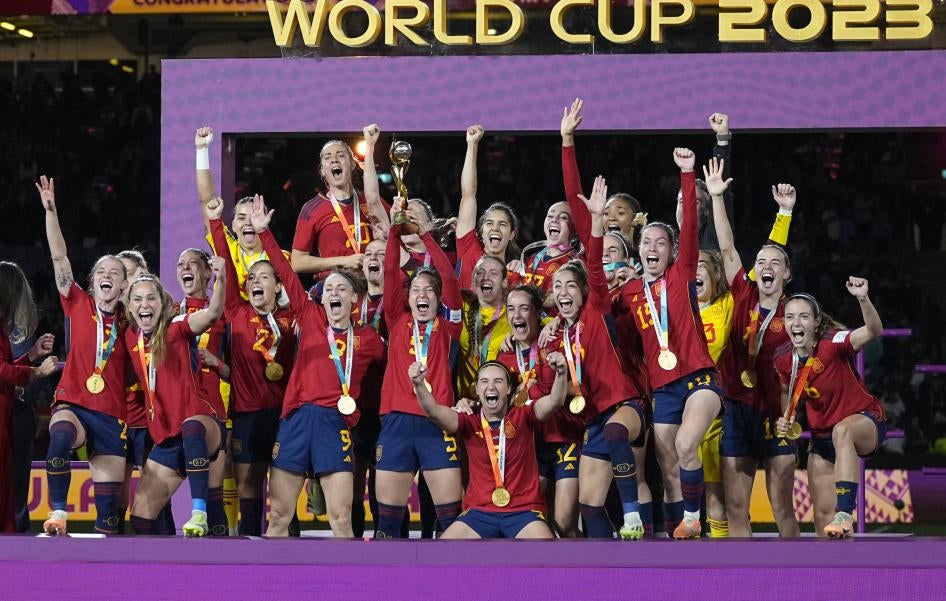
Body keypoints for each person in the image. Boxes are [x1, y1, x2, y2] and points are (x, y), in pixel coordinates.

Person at [253, 197, 386, 538]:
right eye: (329, 289)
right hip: (297, 418)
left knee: (341, 519)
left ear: (354, 299)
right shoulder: (310, 318)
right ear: (322, 298)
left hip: (335, 424)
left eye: (342, 289)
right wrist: (265, 234)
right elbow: (285, 272)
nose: (335, 293)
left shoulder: (370, 340)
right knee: (279, 518)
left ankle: (348, 589)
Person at [611, 150, 722, 539]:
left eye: (661, 242)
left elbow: (689, 226)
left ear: (672, 251)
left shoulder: (682, 273)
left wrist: (688, 175)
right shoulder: (628, 293)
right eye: (647, 242)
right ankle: (684, 536)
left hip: (699, 380)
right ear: (638, 249)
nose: (653, 247)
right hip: (662, 389)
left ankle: (695, 519)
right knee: (670, 469)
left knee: (688, 444)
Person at [542, 178, 651, 540]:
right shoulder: (556, 335)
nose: (562, 292)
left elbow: (591, 261)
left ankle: (633, 517)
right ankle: (606, 564)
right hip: (592, 420)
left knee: (616, 431)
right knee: (589, 506)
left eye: (570, 285)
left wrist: (593, 221)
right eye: (557, 288)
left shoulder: (596, 309)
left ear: (585, 291)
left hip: (625, 406)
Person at [707, 158, 800, 538]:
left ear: (786, 274)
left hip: (776, 413)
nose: (765, 265)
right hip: (737, 410)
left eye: (774, 262)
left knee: (782, 507)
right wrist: (716, 197)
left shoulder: (796, 314)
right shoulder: (742, 293)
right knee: (735, 508)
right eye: (760, 261)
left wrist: (785, 214)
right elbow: (727, 247)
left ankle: (797, 585)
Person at [36, 175, 130, 536]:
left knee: (109, 522)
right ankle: (58, 513)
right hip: (73, 404)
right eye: (101, 272)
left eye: (115, 273)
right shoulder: (77, 303)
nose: (107, 276)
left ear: (123, 285)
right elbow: (59, 256)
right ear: (93, 282)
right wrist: (51, 212)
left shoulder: (133, 320)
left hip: (110, 416)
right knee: (58, 441)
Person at [207, 197, 298, 536]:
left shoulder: (293, 317)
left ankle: (294, 549)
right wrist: (216, 223)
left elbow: (285, 267)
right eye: (253, 278)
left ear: (278, 285)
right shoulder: (237, 311)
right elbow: (228, 269)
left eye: (266, 276)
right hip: (246, 414)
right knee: (248, 488)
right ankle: (248, 552)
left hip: (286, 415)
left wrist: (265, 234)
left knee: (286, 489)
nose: (257, 281)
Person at [374, 198, 464, 538]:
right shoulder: (397, 319)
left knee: (450, 524)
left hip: (437, 422)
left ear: (438, 299)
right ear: (407, 297)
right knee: (388, 526)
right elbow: (389, 272)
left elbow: (450, 281)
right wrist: (396, 228)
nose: (422, 295)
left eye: (430, 291)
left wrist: (425, 235)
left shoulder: (449, 326)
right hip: (396, 420)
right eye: (416, 290)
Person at [776, 281, 886, 538]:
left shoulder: (833, 343)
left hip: (865, 422)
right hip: (822, 438)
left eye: (804, 316)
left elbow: (873, 330)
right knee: (824, 519)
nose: (796, 323)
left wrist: (863, 298)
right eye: (790, 317)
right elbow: (787, 392)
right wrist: (786, 417)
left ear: (815, 323)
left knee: (842, 431)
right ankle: (834, 574)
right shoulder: (783, 358)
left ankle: (846, 512)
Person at [413, 359, 569, 539]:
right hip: (479, 513)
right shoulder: (468, 420)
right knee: (444, 554)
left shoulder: (523, 414)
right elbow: (433, 411)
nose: (491, 387)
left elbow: (554, 401)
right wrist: (419, 384)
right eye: (485, 382)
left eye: (498, 381)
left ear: (509, 389)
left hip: (524, 512)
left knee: (546, 553)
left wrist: (561, 373)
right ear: (477, 389)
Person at [125, 265, 228, 537]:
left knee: (192, 428)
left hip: (202, 424)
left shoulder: (177, 327)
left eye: (151, 298)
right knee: (141, 519)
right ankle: (163, 572)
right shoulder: (129, 338)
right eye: (137, 299)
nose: (144, 304)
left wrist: (221, 279)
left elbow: (212, 313)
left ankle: (198, 514)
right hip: (167, 438)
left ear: (163, 303)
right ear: (130, 306)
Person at [497, 285, 583, 537]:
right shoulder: (504, 356)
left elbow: (577, 382)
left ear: (537, 313)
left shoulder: (556, 341)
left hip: (564, 437)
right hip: (531, 446)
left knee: (564, 522)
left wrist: (554, 320)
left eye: (524, 308)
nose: (517, 315)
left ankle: (585, 569)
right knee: (536, 521)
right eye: (511, 309)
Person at [195, 127, 291, 308]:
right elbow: (206, 201)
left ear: (265, 223)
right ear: (233, 225)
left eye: (254, 216)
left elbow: (288, 302)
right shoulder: (228, 247)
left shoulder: (281, 257)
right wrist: (202, 151)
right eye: (241, 217)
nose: (248, 222)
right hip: (232, 326)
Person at [175, 246, 231, 535]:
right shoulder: (169, 313)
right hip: (174, 414)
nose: (186, 268)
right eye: (181, 263)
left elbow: (237, 372)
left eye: (193, 263)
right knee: (153, 501)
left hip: (212, 412)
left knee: (213, 497)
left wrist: (216, 363)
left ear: (208, 272)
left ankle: (222, 567)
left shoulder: (223, 316)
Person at [0, 262, 58, 533]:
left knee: (10, 488)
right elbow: (2, 370)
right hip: (5, 417)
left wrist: (32, 355)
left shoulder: (6, 329)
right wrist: (35, 371)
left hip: (9, 417)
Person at [291, 125, 390, 278]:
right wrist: (343, 262)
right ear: (323, 170)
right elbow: (297, 262)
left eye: (340, 155)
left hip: (371, 283)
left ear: (352, 164)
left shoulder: (371, 202)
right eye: (328, 157)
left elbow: (397, 235)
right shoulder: (311, 209)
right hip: (333, 287)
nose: (334, 160)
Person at [454, 124, 520, 289]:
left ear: (512, 234)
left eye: (502, 224)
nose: (495, 228)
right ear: (480, 232)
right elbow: (468, 194)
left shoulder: (517, 273)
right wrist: (472, 144)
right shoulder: (469, 249)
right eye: (489, 223)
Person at [456, 255, 511, 398]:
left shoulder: (514, 312)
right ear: (474, 280)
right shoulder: (461, 303)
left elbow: (555, 323)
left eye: (493, 273)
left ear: (504, 282)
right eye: (480, 272)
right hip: (462, 401)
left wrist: (556, 320)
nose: (486, 277)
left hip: (497, 400)